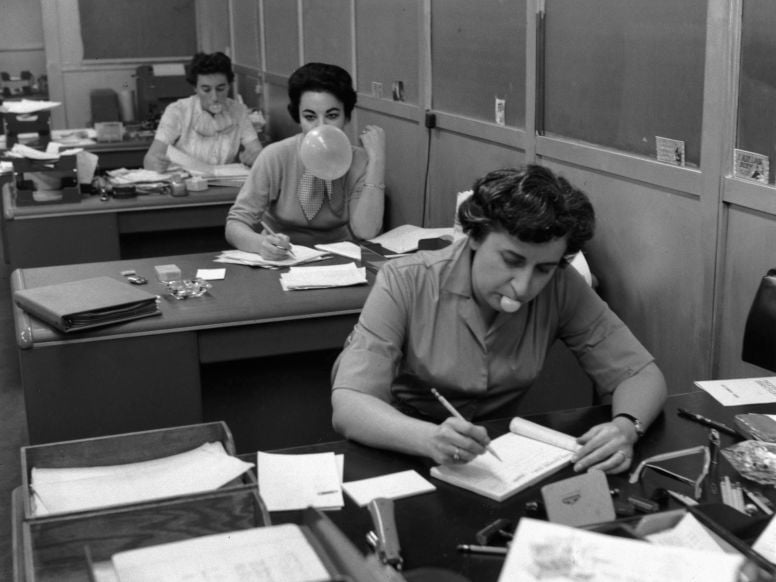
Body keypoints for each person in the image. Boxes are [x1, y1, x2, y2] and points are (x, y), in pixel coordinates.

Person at [331, 165, 667, 474]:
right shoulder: (406, 281)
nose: (523, 286)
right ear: (474, 236)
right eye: (511, 260)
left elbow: (639, 373)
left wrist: (625, 427)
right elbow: (350, 403)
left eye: (544, 269)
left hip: (495, 460)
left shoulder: (562, 286)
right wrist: (429, 438)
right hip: (400, 447)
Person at [225, 62, 385, 258]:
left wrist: (376, 160)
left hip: (340, 260)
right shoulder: (276, 156)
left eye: (332, 115)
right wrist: (261, 244)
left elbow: (365, 231)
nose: (320, 126)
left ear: (347, 116)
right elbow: (235, 224)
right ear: (298, 117)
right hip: (283, 259)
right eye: (310, 117)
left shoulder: (358, 160)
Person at [143, 52, 262, 172]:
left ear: (229, 86)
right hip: (186, 184)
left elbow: (257, 150)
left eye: (220, 89)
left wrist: (255, 156)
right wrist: (156, 163)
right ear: (195, 88)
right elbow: (149, 159)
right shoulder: (177, 111)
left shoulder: (238, 111)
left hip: (224, 184)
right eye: (206, 90)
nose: (214, 97)